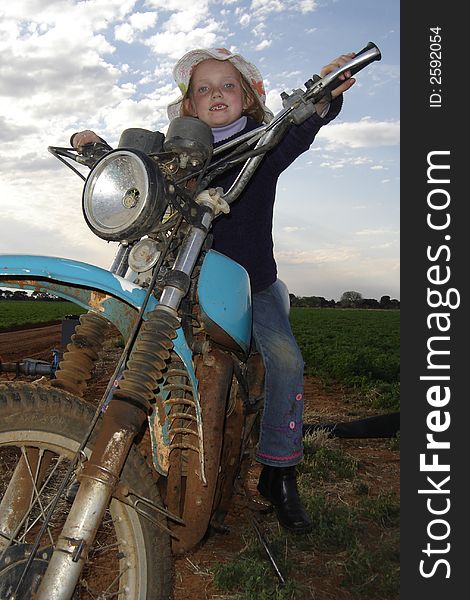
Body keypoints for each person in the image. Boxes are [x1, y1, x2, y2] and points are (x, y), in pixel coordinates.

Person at [71, 47, 356, 533]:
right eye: (202, 88)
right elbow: (133, 172)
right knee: (143, 356)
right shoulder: (173, 157)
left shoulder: (264, 143)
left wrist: (325, 93)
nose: (215, 94)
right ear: (189, 108)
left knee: (286, 360)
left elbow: (305, 125)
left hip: (252, 284)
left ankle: (279, 472)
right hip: (179, 282)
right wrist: (97, 147)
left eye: (227, 85)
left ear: (247, 97)